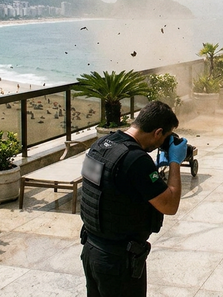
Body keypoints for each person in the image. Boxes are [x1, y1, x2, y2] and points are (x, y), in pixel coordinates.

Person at [80, 100, 187, 297]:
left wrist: (148, 176)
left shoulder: (101, 145)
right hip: (119, 262)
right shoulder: (136, 160)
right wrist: (175, 162)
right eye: (165, 137)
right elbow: (170, 205)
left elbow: (111, 188)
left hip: (91, 250)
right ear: (158, 132)